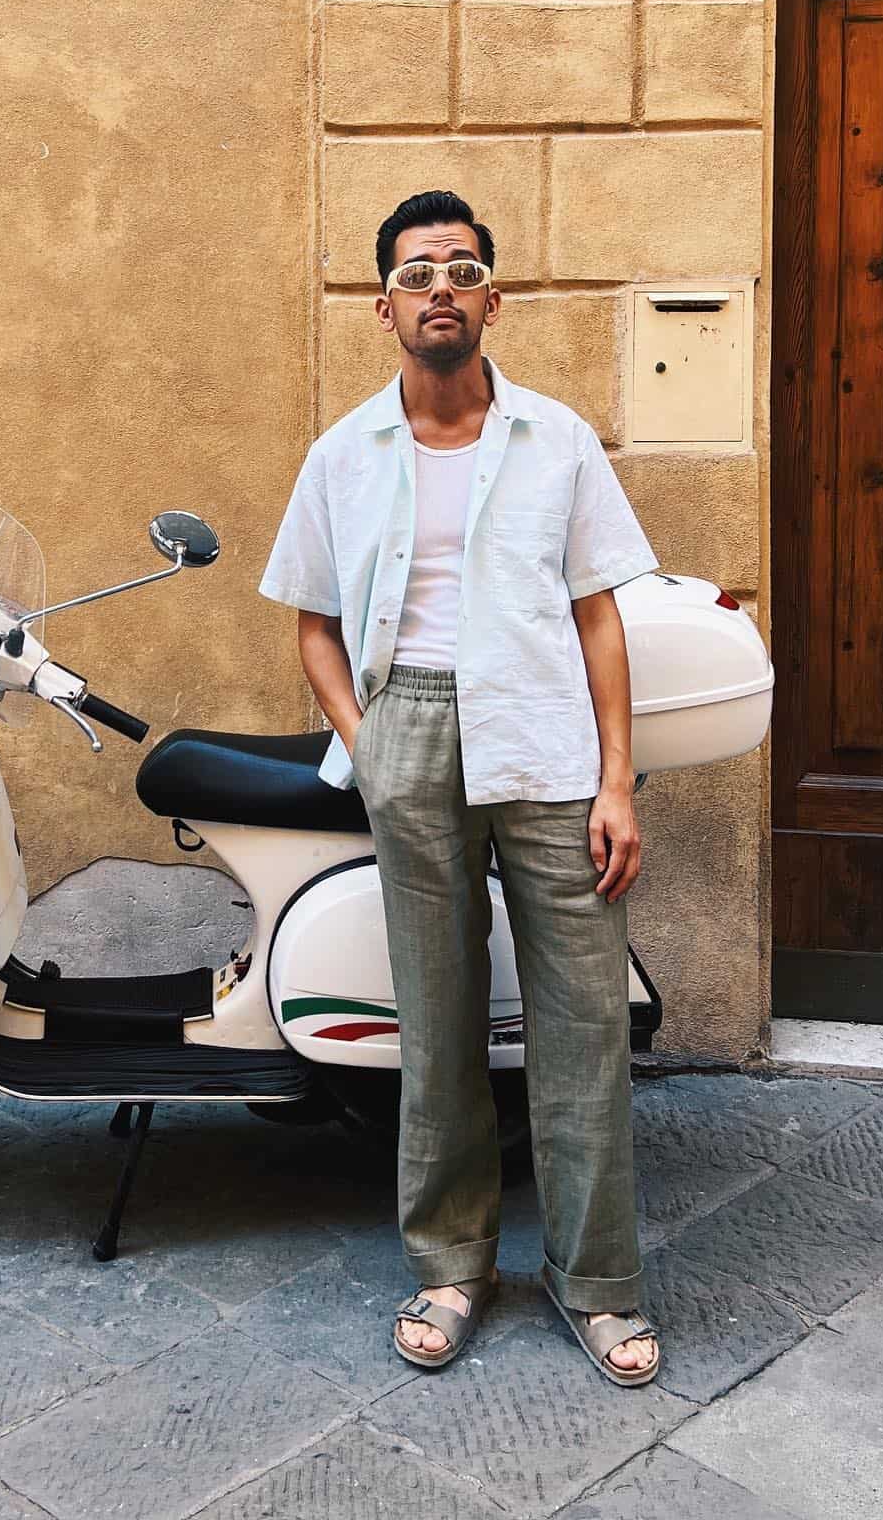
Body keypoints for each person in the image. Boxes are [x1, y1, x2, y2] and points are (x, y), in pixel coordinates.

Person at [258, 189, 660, 1383]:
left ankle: (597, 1284)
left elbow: (600, 617)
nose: (441, 287)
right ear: (385, 308)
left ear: (493, 299)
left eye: (462, 268)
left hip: (546, 737)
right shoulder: (344, 455)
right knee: (434, 1020)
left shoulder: (557, 439)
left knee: (582, 1024)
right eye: (418, 272)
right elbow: (315, 628)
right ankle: (453, 1265)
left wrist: (618, 779)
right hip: (414, 729)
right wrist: (370, 740)